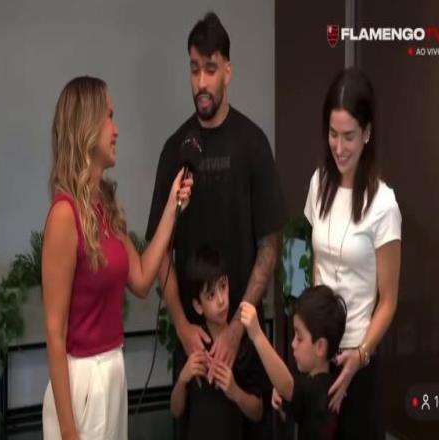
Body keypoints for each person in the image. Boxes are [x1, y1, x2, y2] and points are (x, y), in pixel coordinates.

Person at [146, 13, 285, 422]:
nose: (201, 82)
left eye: (210, 69)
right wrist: (181, 325)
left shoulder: (253, 144)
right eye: (194, 69)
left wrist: (238, 327)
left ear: (228, 70)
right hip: (194, 343)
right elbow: (160, 251)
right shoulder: (176, 149)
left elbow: (269, 245)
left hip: (243, 340)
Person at [41, 76, 193, 440]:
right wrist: (68, 433)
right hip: (82, 381)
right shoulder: (64, 216)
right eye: (109, 116)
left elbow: (141, 279)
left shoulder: (103, 207)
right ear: (86, 127)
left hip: (112, 371)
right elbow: (54, 333)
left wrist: (172, 207)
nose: (116, 130)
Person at [304, 68, 402, 438]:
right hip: (318, 354)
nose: (339, 147)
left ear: (367, 133)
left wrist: (359, 356)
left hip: (358, 360)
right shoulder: (319, 184)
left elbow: (388, 301)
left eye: (349, 136)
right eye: (333, 134)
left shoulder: (383, 204)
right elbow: (315, 266)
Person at [170, 245, 264, 439]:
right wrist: (183, 379)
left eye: (223, 286)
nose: (221, 300)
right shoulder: (192, 343)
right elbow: (176, 410)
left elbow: (258, 412)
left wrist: (235, 391)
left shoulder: (245, 346)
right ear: (198, 306)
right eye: (211, 295)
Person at [240, 285, 347, 439]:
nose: (293, 344)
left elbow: (288, 386)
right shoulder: (333, 380)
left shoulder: (318, 389)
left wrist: (257, 335)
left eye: (300, 338)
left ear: (320, 346)